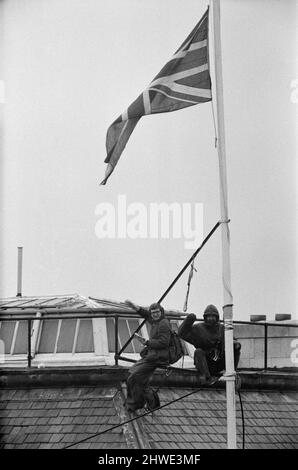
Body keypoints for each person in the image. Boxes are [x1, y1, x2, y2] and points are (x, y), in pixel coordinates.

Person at [124, 300, 172, 412]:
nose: (155, 314)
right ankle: (152, 404)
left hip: (157, 358)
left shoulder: (163, 323)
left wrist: (146, 342)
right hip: (152, 356)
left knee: (134, 377)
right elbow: (146, 315)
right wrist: (136, 307)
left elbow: (164, 342)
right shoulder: (156, 321)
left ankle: (135, 404)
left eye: (157, 312)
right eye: (153, 312)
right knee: (139, 380)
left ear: (161, 312)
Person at [178, 304, 241, 384]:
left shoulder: (222, 329)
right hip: (206, 364)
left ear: (217, 317)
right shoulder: (198, 328)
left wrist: (235, 344)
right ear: (205, 317)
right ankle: (207, 378)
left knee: (236, 346)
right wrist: (189, 320)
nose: (211, 319)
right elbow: (181, 333)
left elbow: (233, 341)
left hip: (219, 362)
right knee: (198, 352)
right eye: (209, 316)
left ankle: (233, 373)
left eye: (213, 316)